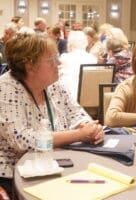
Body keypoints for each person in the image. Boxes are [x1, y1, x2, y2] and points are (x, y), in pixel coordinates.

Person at [0, 33, 104, 197]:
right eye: (52, 59)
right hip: (17, 176)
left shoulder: (54, 84)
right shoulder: (5, 88)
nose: (59, 62)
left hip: (57, 164)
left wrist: (90, 128)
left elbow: (77, 114)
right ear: (30, 66)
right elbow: (22, 140)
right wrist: (78, 135)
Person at [59, 30, 97, 100]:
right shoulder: (93, 58)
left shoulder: (65, 57)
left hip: (69, 97)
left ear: (70, 44)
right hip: (90, 97)